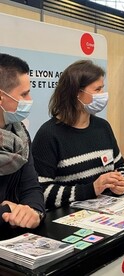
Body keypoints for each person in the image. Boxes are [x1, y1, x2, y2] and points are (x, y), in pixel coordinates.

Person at [32, 60, 124, 210]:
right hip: (69, 223)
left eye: (102, 88)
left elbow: (120, 165)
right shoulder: (48, 135)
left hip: (108, 215)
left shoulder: (103, 127)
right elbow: (41, 192)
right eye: (97, 90)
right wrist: (90, 189)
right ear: (76, 93)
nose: (103, 95)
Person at [0, 53, 45, 229]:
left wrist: (33, 212)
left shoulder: (20, 134)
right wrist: (5, 210)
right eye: (24, 94)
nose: (30, 100)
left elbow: (32, 186)